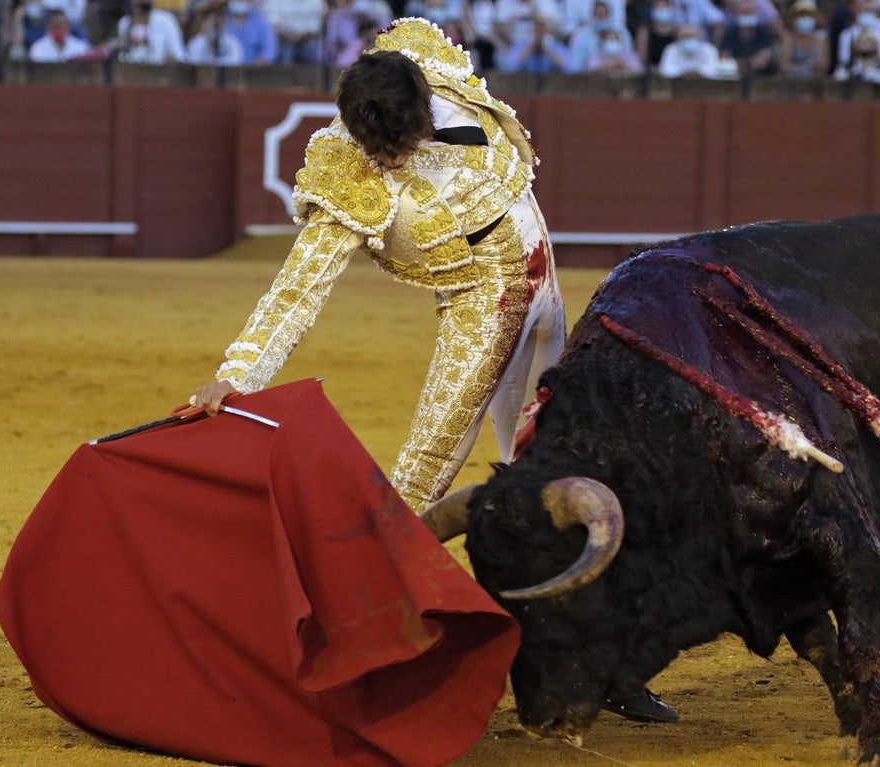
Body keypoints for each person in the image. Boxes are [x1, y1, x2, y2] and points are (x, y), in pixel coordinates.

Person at [192, 18, 676, 726]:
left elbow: (408, 37)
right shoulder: (346, 169)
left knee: (564, 469)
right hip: (483, 313)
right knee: (420, 482)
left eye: (401, 138)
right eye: (381, 145)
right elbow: (299, 287)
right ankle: (349, 649)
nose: (392, 156)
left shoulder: (430, 66)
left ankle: (606, 663)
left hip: (546, 299)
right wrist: (236, 375)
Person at [718, 0, 778, 76]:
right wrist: (742, 65)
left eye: (750, 13)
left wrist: (742, 64)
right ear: (736, 13)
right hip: (735, 77)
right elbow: (724, 59)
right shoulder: (730, 33)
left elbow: (764, 59)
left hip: (760, 76)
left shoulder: (762, 32)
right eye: (744, 13)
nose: (747, 16)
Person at [116, 0, 184, 63]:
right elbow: (122, 57)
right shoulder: (125, 23)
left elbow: (179, 57)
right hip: (132, 71)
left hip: (160, 71)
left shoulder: (166, 20)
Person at [779, 0, 828, 77]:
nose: (804, 18)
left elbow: (824, 66)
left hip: (815, 83)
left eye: (808, 15)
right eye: (801, 15)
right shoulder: (789, 39)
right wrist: (800, 69)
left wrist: (816, 67)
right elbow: (784, 66)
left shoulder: (821, 39)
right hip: (792, 81)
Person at [658, 19, 723, 75]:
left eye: (692, 36)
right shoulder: (671, 49)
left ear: (700, 36)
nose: (689, 39)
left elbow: (713, 69)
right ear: (677, 38)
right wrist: (684, 74)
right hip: (677, 85)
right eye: (685, 36)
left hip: (705, 85)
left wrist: (697, 73)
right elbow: (666, 70)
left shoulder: (710, 49)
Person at [224, 0, 275, 65]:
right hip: (224, 71)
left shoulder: (260, 21)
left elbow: (268, 51)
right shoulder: (220, 17)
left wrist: (252, 67)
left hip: (252, 71)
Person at [636, 0, 680, 73]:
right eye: (659, 8)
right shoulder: (645, 31)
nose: (662, 11)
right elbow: (642, 58)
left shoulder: (677, 31)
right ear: (652, 11)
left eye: (665, 8)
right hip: (651, 72)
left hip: (673, 71)